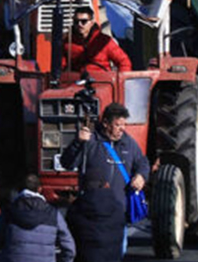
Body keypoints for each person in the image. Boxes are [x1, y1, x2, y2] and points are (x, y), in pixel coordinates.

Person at [60, 102, 147, 252]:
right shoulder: (91, 142)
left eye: (124, 125)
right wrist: (77, 143)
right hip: (93, 212)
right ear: (106, 123)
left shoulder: (129, 143)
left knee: (120, 251)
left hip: (119, 211)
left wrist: (141, 176)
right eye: (118, 125)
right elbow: (67, 163)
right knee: (94, 252)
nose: (122, 129)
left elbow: (142, 162)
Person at [67, 10, 132, 75]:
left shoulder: (104, 41)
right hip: (77, 82)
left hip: (103, 82)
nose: (79, 24)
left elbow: (124, 62)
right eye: (76, 22)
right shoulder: (67, 42)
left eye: (84, 21)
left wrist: (120, 81)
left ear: (91, 23)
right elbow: (61, 66)